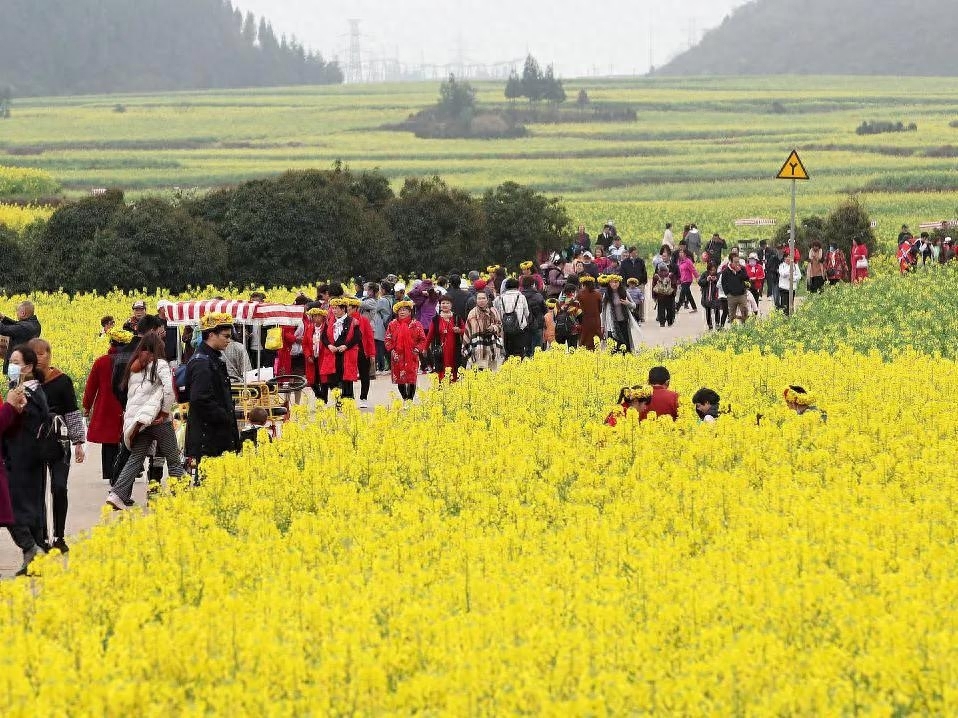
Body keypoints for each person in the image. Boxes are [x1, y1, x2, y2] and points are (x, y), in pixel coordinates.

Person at [108, 332, 185, 510]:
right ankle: (180, 496)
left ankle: (116, 494)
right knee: (173, 458)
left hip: (140, 421)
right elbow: (169, 391)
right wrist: (165, 412)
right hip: (158, 419)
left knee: (135, 458)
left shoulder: (134, 367)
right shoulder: (160, 364)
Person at [28, 338, 85, 552]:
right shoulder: (25, 383)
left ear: (50, 355)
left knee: (59, 487)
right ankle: (41, 537)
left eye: (43, 354)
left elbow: (72, 412)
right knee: (37, 490)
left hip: (59, 442)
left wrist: (78, 441)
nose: (40, 358)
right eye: (35, 354)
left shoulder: (62, 380)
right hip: (33, 444)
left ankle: (59, 536)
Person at [3, 347, 51, 574]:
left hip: (22, 458)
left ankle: (34, 552)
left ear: (29, 367)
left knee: (18, 508)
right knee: (23, 507)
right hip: (22, 458)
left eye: (15, 361)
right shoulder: (21, 390)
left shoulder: (28, 393)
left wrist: (12, 409)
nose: (10, 365)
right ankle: (33, 555)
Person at [184, 313, 242, 471]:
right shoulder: (202, 363)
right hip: (208, 438)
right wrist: (224, 416)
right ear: (211, 335)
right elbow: (200, 399)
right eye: (225, 336)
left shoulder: (212, 359)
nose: (228, 340)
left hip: (215, 435)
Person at [83, 328, 128, 486]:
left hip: (106, 405)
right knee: (128, 440)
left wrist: (87, 407)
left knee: (109, 442)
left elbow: (91, 387)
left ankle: (110, 472)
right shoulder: (131, 361)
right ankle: (126, 473)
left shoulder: (101, 361)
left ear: (111, 343)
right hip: (126, 404)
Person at [385, 300, 427, 405]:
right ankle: (405, 398)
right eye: (400, 310)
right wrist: (391, 349)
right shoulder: (392, 324)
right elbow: (387, 339)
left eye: (404, 310)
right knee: (400, 380)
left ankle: (409, 400)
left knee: (412, 378)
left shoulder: (416, 324)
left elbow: (423, 339)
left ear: (410, 312)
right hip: (397, 356)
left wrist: (417, 349)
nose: (402, 312)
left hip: (412, 355)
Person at [426, 297, 465, 383]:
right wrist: (425, 348)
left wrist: (459, 330)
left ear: (451, 305)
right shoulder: (435, 319)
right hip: (441, 350)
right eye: (443, 303)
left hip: (454, 349)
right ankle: (443, 388)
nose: (445, 305)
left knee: (454, 368)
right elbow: (430, 335)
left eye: (447, 303)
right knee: (441, 369)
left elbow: (465, 331)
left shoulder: (457, 318)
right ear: (440, 305)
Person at [600, 275, 641, 354]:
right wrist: (602, 325)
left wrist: (627, 303)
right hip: (611, 324)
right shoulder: (607, 295)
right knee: (614, 347)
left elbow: (634, 305)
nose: (614, 284)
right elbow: (603, 311)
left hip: (623, 322)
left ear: (619, 283)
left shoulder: (624, 293)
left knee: (625, 346)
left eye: (616, 282)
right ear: (609, 284)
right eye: (612, 282)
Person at [463, 292, 502, 371]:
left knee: (492, 370)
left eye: (483, 298)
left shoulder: (493, 311)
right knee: (479, 370)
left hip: (492, 346)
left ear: (487, 300)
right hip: (478, 347)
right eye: (479, 298)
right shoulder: (472, 313)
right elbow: (468, 331)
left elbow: (500, 325)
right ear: (476, 300)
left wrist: (493, 327)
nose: (481, 300)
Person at [347, 297, 375, 408]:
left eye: (349, 308)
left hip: (363, 350)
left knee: (364, 375)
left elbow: (369, 337)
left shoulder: (364, 320)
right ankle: (349, 396)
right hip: (349, 351)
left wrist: (372, 353)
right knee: (348, 375)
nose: (348, 310)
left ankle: (363, 397)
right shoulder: (345, 320)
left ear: (356, 308)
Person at [0, 301, 41, 374]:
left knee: (16, 385)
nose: (16, 313)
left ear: (23, 313)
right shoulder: (35, 324)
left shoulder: (24, 328)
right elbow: (17, 325)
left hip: (18, 366)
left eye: (17, 311)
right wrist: (3, 318)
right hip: (26, 363)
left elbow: (3, 330)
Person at [494, 278, 530, 360]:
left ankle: (508, 368)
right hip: (519, 328)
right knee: (519, 351)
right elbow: (527, 313)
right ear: (517, 286)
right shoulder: (521, 297)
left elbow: (496, 312)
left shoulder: (500, 298)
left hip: (505, 328)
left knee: (508, 351)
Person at [303, 307, 328, 402]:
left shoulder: (326, 328)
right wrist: (308, 355)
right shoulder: (309, 328)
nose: (317, 318)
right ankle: (319, 396)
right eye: (314, 316)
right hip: (312, 357)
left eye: (319, 316)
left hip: (323, 357)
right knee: (312, 381)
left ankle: (324, 399)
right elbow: (305, 344)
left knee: (324, 380)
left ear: (322, 317)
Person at [720, 254, 750, 324]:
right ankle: (733, 329)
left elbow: (746, 278)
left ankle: (744, 327)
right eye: (735, 262)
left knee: (745, 312)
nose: (737, 264)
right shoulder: (725, 271)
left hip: (742, 295)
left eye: (738, 262)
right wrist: (727, 293)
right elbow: (723, 283)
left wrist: (739, 272)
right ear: (730, 261)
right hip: (732, 296)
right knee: (732, 315)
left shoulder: (742, 269)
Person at [520, 275, 546, 356]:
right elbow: (544, 310)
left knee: (527, 349)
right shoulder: (538, 296)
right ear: (533, 284)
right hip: (537, 325)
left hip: (524, 325)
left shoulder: (520, 296)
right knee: (537, 349)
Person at [575, 275, 602, 350]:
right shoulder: (597, 294)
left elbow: (576, 308)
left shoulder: (580, 294)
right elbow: (600, 309)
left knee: (585, 341)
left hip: (585, 320)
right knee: (595, 341)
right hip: (596, 320)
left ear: (583, 284)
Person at [698, 263, 722, 331]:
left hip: (716, 295)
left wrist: (715, 280)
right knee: (708, 310)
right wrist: (706, 280)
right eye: (711, 270)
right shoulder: (705, 274)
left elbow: (721, 283)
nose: (712, 272)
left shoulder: (718, 274)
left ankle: (717, 324)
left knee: (717, 310)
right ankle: (710, 325)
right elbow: (700, 282)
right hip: (707, 295)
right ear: (708, 270)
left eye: (714, 270)